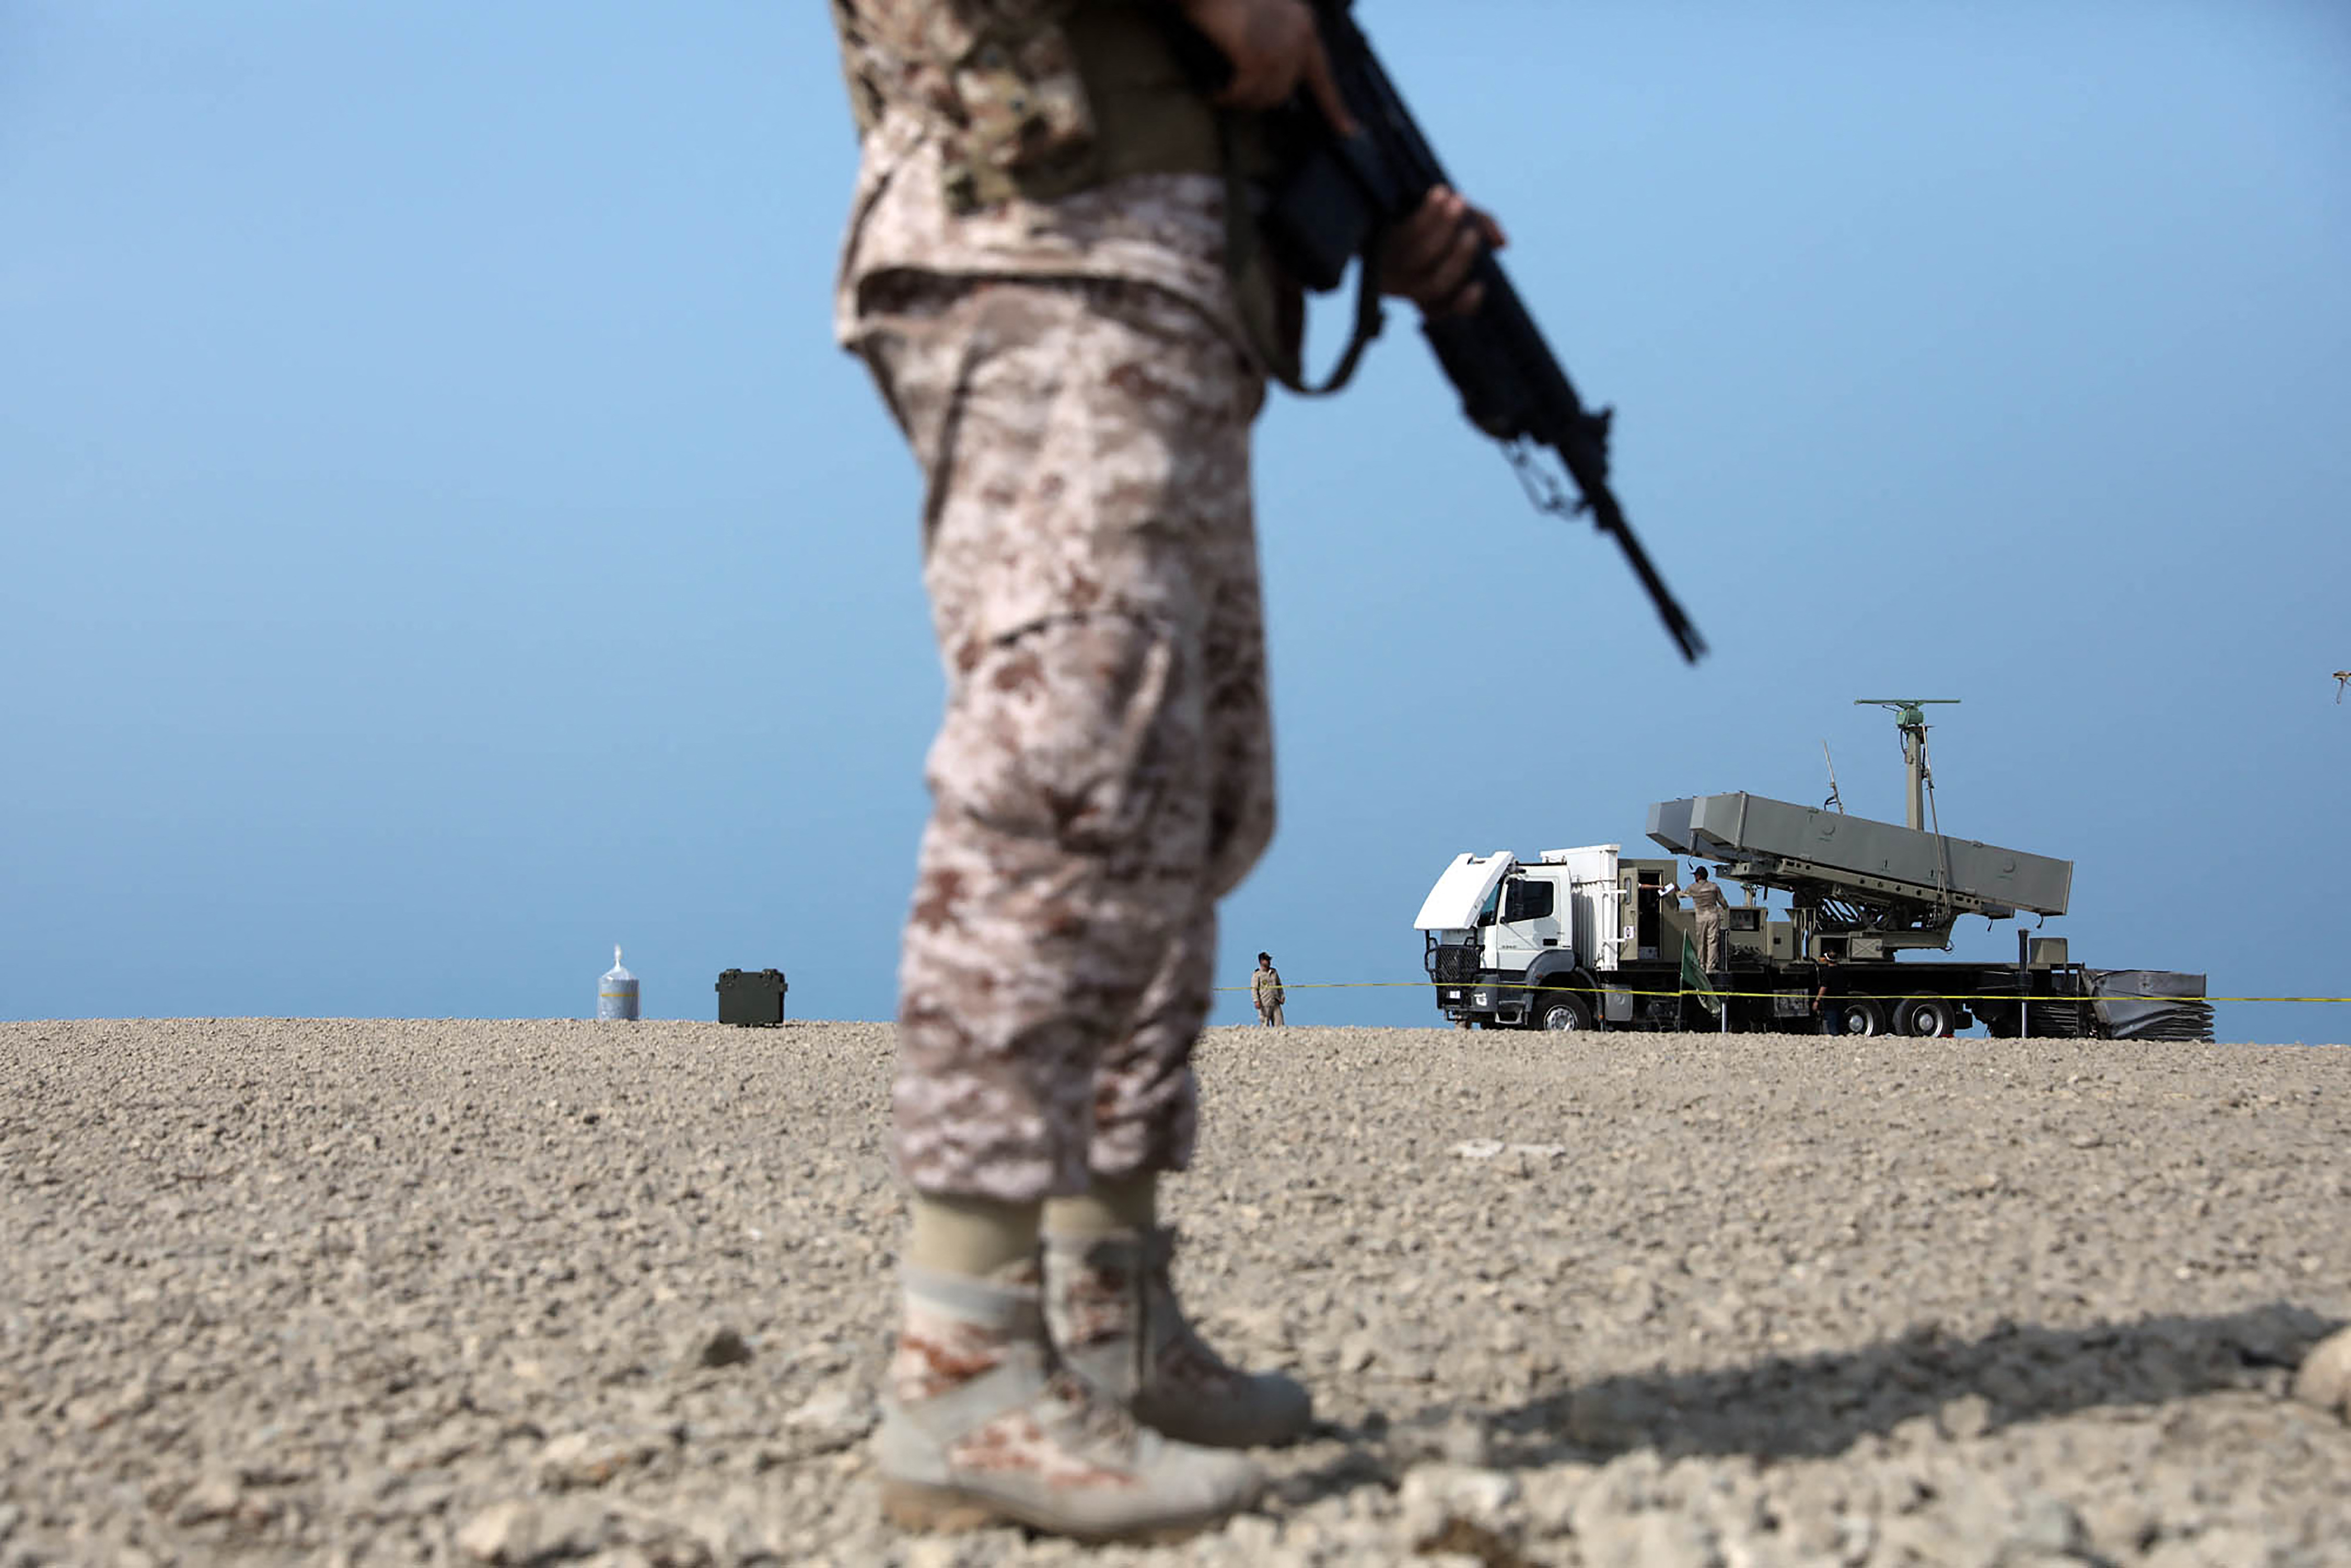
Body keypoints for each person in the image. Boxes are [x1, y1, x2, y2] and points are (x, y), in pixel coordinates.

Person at [830, 0, 1504, 1540]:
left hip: (1167, 266)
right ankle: (964, 1360)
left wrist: (1355, 206)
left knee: (1181, 802)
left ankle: (1104, 1304)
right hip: (1037, 225)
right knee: (1066, 774)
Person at [1663, 864, 1728, 973]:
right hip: (1713, 915)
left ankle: (1701, 966)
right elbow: (1723, 903)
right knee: (1712, 942)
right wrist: (1726, 909)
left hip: (1701, 917)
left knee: (1701, 942)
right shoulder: (1714, 886)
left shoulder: (1693, 887)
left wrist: (1677, 890)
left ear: (1698, 877)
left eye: (1695, 875)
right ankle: (1710, 967)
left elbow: (1681, 896)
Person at [1251, 952, 1286, 1026]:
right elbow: (1254, 989)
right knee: (1265, 1024)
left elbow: (1279, 985)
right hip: (1264, 1003)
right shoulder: (1257, 975)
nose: (1269, 962)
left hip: (1275, 1001)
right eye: (1266, 960)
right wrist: (1256, 1001)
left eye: (1269, 960)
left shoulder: (1274, 972)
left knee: (1280, 1024)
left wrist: (1282, 996)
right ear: (1261, 961)